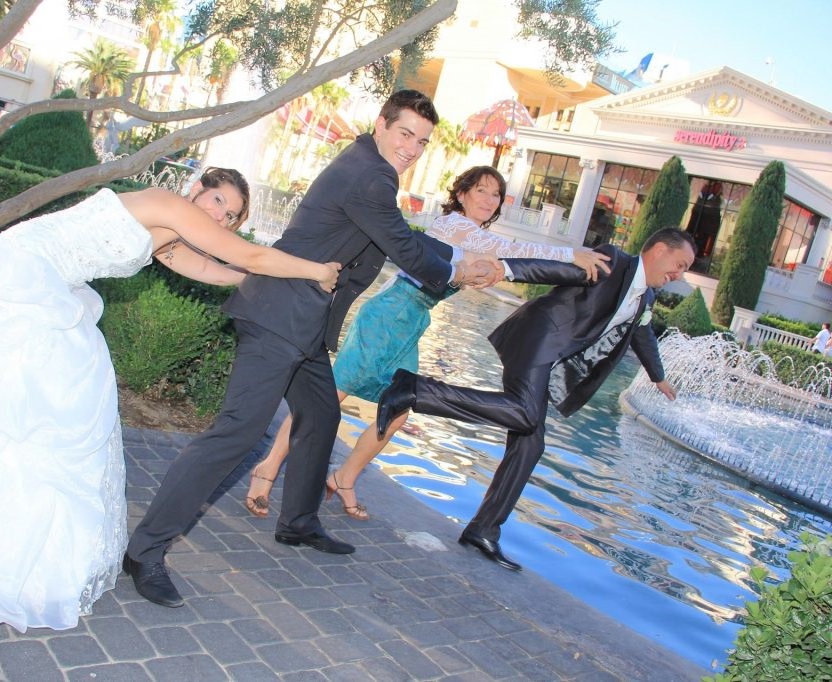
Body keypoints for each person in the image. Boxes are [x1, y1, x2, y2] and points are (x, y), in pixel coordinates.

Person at [0, 168, 340, 656]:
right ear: (197, 190)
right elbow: (247, 258)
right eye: (218, 200)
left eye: (231, 215)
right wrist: (316, 269)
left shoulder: (172, 238)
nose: (220, 215)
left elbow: (221, 270)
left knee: (16, 409)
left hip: (49, 283)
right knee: (7, 404)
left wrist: (279, 280)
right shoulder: (165, 203)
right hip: (23, 273)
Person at [124, 90, 502, 608]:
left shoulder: (366, 167)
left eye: (422, 140)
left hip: (302, 321)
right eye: (405, 133)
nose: (412, 147)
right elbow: (405, 247)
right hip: (280, 315)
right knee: (237, 434)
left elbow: (401, 234)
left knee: (321, 414)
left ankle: (298, 522)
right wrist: (458, 268)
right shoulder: (372, 175)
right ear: (382, 125)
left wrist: (460, 257)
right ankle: (145, 551)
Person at [245, 166, 610, 520]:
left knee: (398, 409)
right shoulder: (455, 226)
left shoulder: (475, 239)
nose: (488, 198)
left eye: (495, 193)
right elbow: (508, 246)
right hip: (389, 314)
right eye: (480, 189)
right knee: (330, 395)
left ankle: (344, 478)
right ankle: (269, 465)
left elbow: (505, 258)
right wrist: (569, 253)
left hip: (413, 320)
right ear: (462, 194)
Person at [375, 228, 696, 571]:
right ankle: (414, 390)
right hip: (537, 341)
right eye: (679, 264)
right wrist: (506, 269)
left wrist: (658, 376)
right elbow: (556, 269)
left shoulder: (645, 297)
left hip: (551, 358)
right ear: (659, 249)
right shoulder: (614, 263)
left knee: (530, 443)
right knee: (526, 415)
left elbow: (642, 333)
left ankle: (483, 529)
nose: (678, 275)